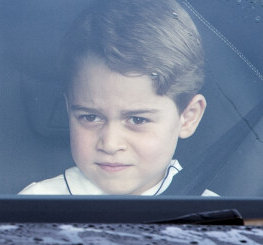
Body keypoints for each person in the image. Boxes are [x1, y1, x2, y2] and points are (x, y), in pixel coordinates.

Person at [20, 0, 216, 196]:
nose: (110, 144)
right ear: (69, 109)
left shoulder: (218, 216)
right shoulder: (36, 204)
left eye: (137, 120)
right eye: (90, 117)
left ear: (189, 117)